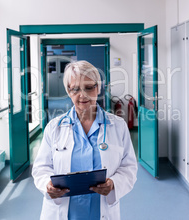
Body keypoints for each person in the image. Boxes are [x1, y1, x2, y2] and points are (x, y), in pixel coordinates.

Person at [32, 60, 137, 220]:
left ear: (99, 88)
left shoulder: (118, 126)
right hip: (63, 213)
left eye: (89, 87)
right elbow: (41, 168)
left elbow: (129, 168)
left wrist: (114, 184)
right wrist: (47, 185)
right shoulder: (54, 128)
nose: (83, 95)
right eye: (75, 89)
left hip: (101, 212)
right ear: (68, 91)